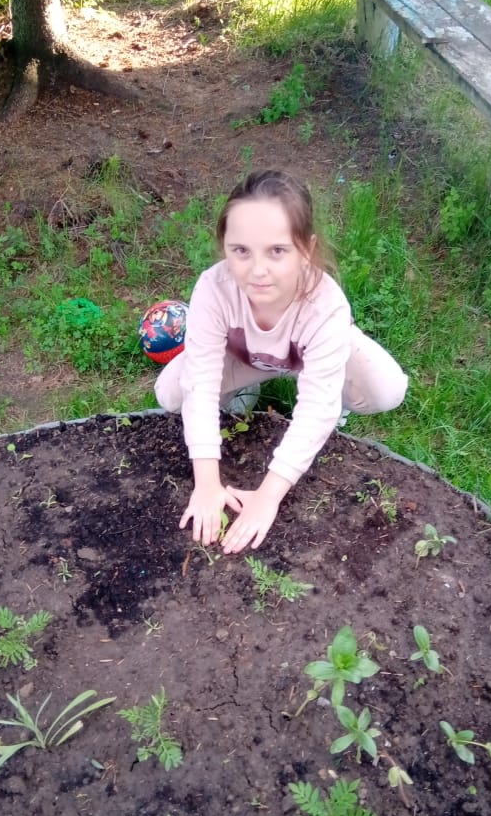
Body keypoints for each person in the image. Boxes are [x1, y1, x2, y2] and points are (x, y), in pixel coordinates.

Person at [155, 169, 408, 555]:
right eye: (241, 251)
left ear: (306, 248)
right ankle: (248, 385)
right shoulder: (213, 288)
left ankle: (336, 383)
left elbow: (316, 409)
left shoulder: (326, 304)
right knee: (170, 394)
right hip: (244, 356)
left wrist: (268, 496)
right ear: (224, 246)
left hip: (310, 355)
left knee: (386, 390)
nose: (258, 270)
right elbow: (200, 382)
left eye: (277, 251)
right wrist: (207, 484)